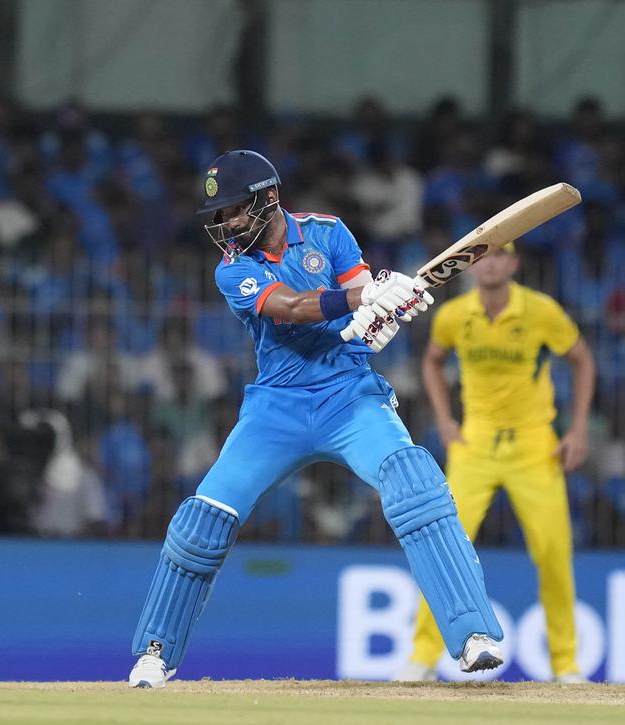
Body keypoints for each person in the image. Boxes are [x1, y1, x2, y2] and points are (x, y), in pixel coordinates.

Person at [127, 150, 505, 688]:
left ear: (269, 198)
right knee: (200, 522)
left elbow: (361, 303)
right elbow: (293, 308)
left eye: (235, 210)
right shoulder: (232, 268)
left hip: (348, 395)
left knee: (414, 482)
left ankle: (472, 636)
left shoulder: (329, 233)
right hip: (276, 409)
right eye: (220, 215)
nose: (226, 224)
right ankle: (154, 654)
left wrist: (378, 318)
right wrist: (363, 296)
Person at [399, 243, 595, 683]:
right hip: (475, 444)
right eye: (482, 255)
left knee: (553, 553)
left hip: (534, 447)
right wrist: (446, 421)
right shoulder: (454, 316)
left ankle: (566, 665)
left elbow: (582, 360)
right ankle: (422, 657)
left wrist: (578, 429)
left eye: (501, 254)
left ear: (513, 263)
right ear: (472, 265)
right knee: (444, 551)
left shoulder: (541, 310)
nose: (490, 262)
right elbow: (432, 360)